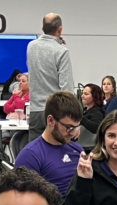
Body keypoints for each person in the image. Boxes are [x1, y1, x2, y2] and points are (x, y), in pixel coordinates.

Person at [14, 91, 84, 196]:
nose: (73, 133)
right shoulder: (30, 156)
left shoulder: (78, 150)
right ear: (51, 120)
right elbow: (23, 203)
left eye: (76, 127)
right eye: (69, 127)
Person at [27, 13, 74, 142]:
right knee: (56, 155)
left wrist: (57, 41)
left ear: (42, 29)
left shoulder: (31, 47)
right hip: (55, 112)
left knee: (34, 154)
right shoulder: (61, 51)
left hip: (35, 110)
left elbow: (44, 46)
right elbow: (67, 89)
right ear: (60, 29)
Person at [1, 73, 31, 157]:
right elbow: (6, 108)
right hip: (13, 126)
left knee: (14, 140)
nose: (20, 83)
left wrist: (15, 96)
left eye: (23, 81)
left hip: (23, 129)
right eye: (20, 81)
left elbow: (21, 106)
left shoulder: (30, 95)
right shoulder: (19, 95)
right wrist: (15, 98)